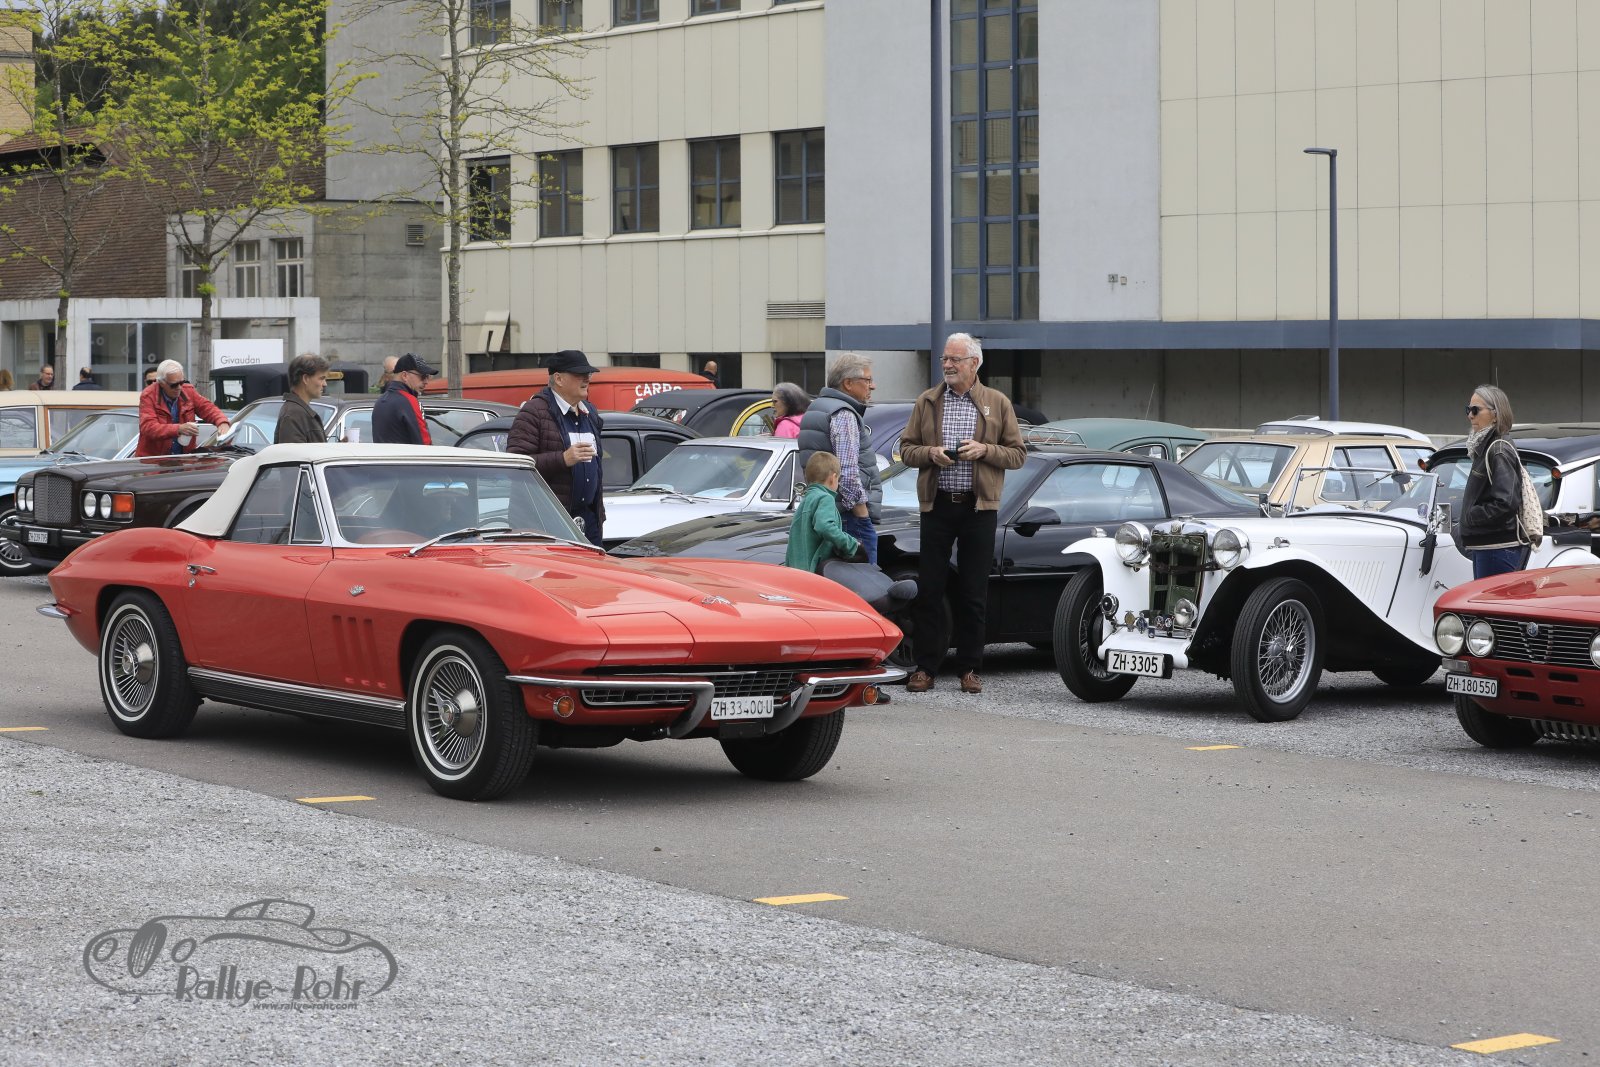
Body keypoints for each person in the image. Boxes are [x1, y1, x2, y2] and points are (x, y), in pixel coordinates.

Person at [898, 332, 1026, 695]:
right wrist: (930, 454)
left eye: (955, 359)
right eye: (945, 359)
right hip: (937, 505)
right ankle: (925, 668)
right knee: (930, 589)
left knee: (973, 591)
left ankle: (970, 668)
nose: (948, 365)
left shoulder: (997, 402)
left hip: (978, 507)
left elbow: (1018, 455)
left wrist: (985, 450)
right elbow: (906, 449)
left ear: (974, 363)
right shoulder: (927, 400)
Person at [507, 349, 606, 545]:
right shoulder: (533, 412)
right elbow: (515, 464)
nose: (587, 379)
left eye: (588, 374)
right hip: (547, 522)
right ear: (559, 379)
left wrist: (598, 515)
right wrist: (562, 459)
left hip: (588, 521)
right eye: (580, 374)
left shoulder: (590, 412)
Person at [796, 353, 882, 564]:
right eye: (868, 380)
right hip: (847, 516)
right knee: (863, 579)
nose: (873, 386)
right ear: (848, 384)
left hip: (827, 511)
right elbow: (847, 473)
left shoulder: (816, 408)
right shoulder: (843, 413)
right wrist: (862, 514)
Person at [1460, 384, 1529, 579]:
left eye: (1476, 410)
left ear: (1496, 415)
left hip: (1497, 548)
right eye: (1468, 409)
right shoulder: (1485, 447)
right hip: (1487, 545)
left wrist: (1471, 516)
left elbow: (1506, 502)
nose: (1470, 415)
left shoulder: (1498, 450)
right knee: (1485, 598)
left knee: (1492, 599)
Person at [136, 359, 232, 457]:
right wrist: (178, 429)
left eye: (182, 382)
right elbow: (148, 427)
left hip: (184, 459)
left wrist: (222, 422)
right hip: (154, 461)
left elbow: (208, 408)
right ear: (161, 383)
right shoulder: (148, 395)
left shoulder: (189, 391)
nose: (179, 387)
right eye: (174, 385)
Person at [786, 451, 861, 572]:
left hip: (796, 572)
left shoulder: (807, 499)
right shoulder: (825, 498)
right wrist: (851, 544)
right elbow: (824, 526)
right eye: (838, 479)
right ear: (833, 478)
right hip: (813, 573)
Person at [371, 352, 434, 445]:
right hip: (406, 455)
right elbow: (425, 444)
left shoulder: (381, 401)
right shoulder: (409, 402)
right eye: (423, 376)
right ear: (404, 376)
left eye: (428, 376)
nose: (426, 381)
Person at [275, 352, 330, 444]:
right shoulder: (293, 414)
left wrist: (339, 448)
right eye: (321, 378)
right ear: (305, 379)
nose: (325, 384)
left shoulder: (297, 412)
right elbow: (294, 452)